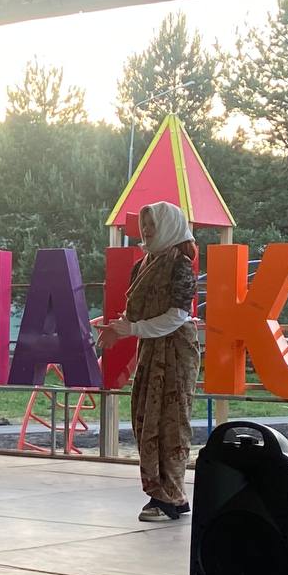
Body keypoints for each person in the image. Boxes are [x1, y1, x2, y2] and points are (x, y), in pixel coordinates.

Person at [98, 201, 199, 522]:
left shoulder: (180, 264)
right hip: (151, 348)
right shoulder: (143, 264)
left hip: (175, 351)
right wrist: (118, 329)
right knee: (146, 416)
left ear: (169, 226)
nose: (146, 230)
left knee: (171, 419)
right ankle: (162, 492)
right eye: (145, 225)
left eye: (153, 224)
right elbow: (135, 313)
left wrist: (133, 329)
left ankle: (170, 495)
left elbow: (177, 315)